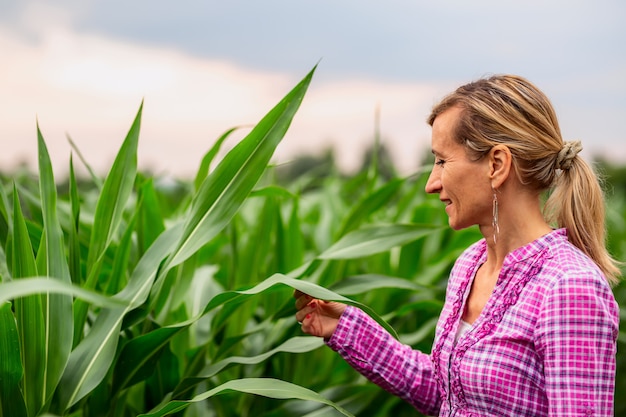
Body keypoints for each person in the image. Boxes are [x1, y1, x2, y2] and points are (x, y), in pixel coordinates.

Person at [294, 74, 621, 417]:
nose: (431, 184)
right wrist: (346, 327)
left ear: (497, 164)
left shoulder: (569, 287)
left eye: (441, 161)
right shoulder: (470, 265)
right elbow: (447, 394)